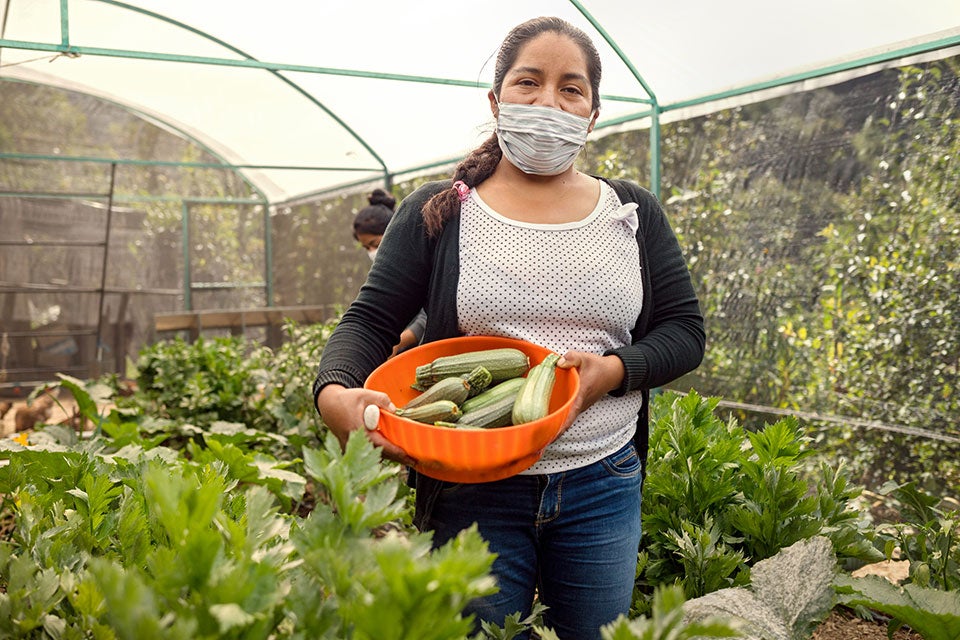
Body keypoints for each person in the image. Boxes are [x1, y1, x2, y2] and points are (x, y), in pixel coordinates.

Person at [314, 16, 705, 639]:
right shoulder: (438, 212)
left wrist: (612, 371)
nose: (548, 101)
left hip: (602, 481)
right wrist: (334, 394)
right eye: (529, 82)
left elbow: (684, 330)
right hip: (470, 486)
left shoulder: (630, 213)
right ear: (497, 101)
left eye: (570, 88)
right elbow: (369, 321)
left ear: (593, 113)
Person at [352, 188, 426, 355]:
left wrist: (397, 344)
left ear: (392, 234)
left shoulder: (420, 261)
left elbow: (426, 317)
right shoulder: (382, 272)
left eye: (375, 244)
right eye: (366, 247)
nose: (371, 251)